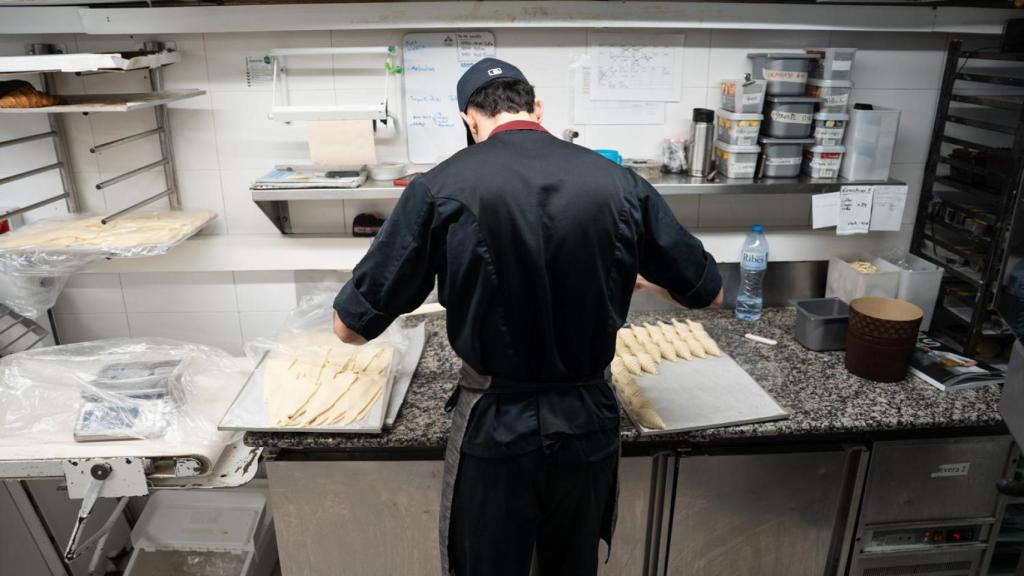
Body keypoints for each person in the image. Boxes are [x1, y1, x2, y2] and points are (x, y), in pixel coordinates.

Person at [332, 57, 723, 576]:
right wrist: (629, 268)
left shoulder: (438, 187)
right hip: (588, 423)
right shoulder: (621, 184)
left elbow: (350, 328)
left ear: (470, 119)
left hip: (496, 425)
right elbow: (708, 293)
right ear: (537, 108)